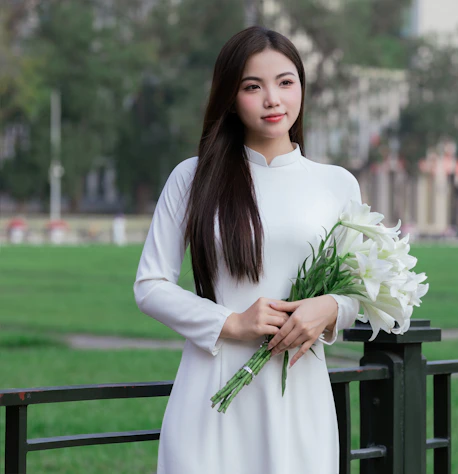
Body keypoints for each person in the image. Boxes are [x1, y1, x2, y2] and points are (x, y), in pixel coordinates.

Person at [133, 26, 361, 474]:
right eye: (252, 87)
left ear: (301, 88)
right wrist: (231, 322)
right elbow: (150, 285)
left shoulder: (337, 184)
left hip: (299, 394)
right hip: (211, 394)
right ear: (231, 98)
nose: (272, 99)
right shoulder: (193, 177)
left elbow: (359, 290)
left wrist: (331, 308)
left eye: (285, 82)